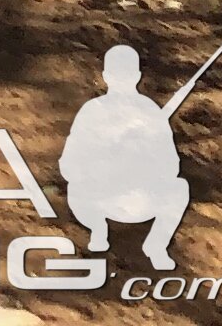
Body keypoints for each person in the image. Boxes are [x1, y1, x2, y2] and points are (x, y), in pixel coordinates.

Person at [62, 45, 195, 271]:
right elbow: (171, 167)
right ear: (137, 77)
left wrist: (135, 158)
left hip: (110, 201)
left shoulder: (92, 110)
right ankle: (151, 243)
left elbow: (68, 166)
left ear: (105, 77)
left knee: (75, 187)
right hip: (129, 201)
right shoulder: (149, 110)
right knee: (179, 188)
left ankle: (100, 230)